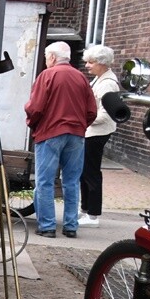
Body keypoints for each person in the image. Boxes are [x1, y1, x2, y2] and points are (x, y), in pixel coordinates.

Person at [24, 41, 96, 239]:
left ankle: (47, 226)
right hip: (76, 135)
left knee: (45, 181)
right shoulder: (82, 78)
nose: (46, 61)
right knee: (71, 182)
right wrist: (80, 126)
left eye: (47, 57)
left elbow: (35, 107)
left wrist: (32, 123)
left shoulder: (47, 75)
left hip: (50, 133)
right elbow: (92, 111)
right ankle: (70, 226)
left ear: (53, 57)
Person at [80, 45, 121, 227]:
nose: (87, 66)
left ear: (102, 63)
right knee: (85, 171)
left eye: (91, 62)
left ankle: (93, 214)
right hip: (92, 131)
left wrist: (83, 119)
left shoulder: (107, 84)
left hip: (97, 132)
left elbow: (105, 114)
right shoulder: (99, 80)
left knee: (91, 172)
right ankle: (86, 209)